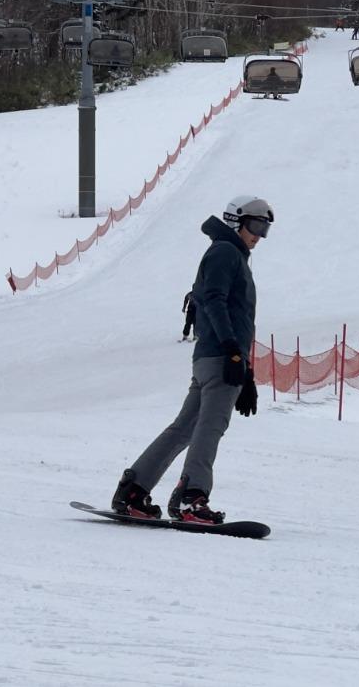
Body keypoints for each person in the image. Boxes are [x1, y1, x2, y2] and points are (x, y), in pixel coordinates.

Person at [111, 195, 272, 524]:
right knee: (210, 427)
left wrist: (244, 368)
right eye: (256, 225)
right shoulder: (226, 252)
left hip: (214, 356)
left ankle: (134, 489)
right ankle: (192, 498)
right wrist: (233, 351)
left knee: (184, 429)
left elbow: (226, 309)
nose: (259, 235)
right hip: (220, 355)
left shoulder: (228, 254)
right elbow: (214, 300)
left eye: (265, 228)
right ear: (235, 222)